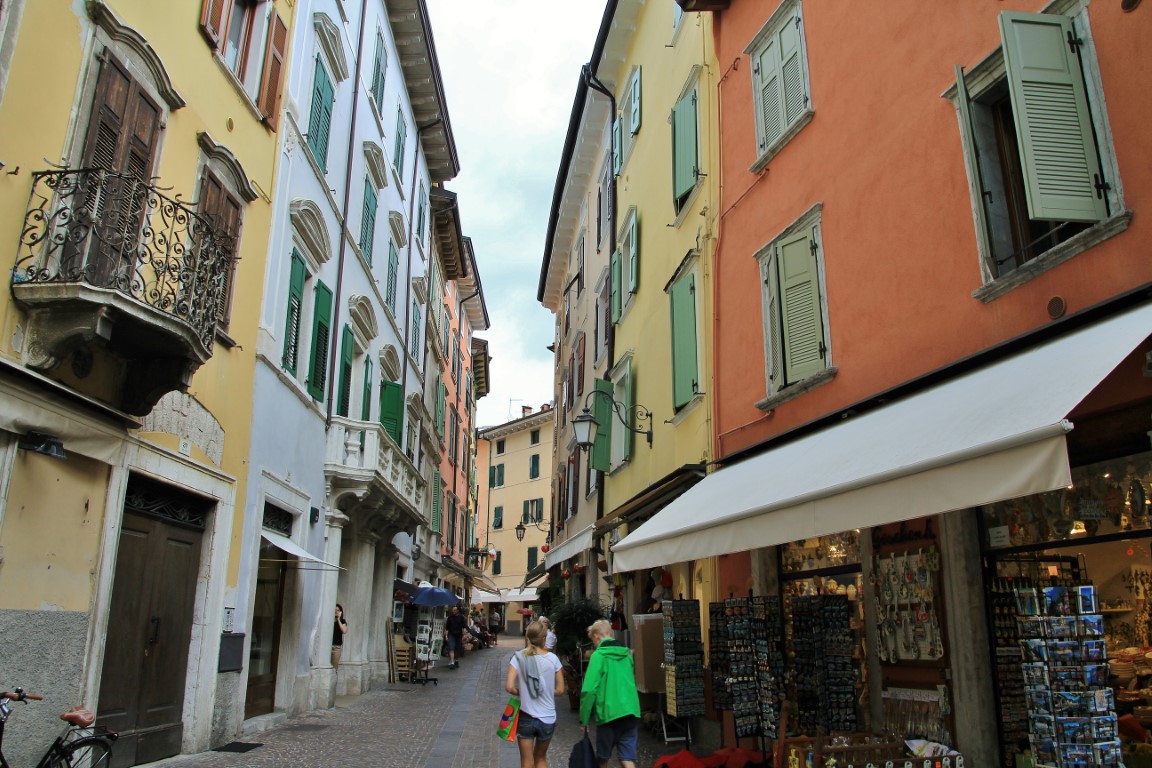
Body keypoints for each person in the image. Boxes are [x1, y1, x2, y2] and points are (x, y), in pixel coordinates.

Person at [580, 619, 642, 768]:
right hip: (630, 711)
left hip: (609, 714)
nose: (594, 644)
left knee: (603, 759)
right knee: (627, 759)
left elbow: (589, 690)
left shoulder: (598, 656)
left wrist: (584, 719)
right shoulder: (626, 654)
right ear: (610, 633)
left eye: (592, 640)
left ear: (596, 636)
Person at [506, 621, 564, 768]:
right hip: (548, 717)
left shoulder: (518, 657)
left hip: (526, 716)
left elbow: (509, 687)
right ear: (544, 638)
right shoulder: (553, 659)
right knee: (540, 758)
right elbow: (560, 690)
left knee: (526, 760)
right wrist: (545, 690)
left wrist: (521, 692)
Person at [444, 604, 467, 669]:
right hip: (451, 634)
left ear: (457, 610)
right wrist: (446, 635)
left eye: (455, 610)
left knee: (457, 649)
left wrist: (464, 633)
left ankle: (456, 660)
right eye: (452, 610)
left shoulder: (461, 617)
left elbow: (464, 626)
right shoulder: (450, 618)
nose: (453, 611)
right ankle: (452, 662)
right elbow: (447, 628)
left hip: (458, 635)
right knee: (451, 648)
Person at [332, 604, 348, 669]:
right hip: (327, 647)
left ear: (341, 612)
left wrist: (338, 619)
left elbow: (344, 631)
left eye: (338, 610)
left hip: (336, 648)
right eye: (335, 610)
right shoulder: (329, 620)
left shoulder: (342, 621)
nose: (336, 612)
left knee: (334, 668)